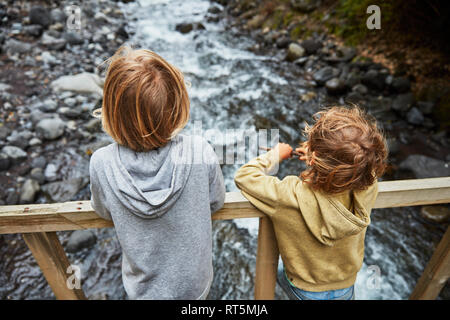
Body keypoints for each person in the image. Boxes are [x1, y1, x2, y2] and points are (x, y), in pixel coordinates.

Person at [89, 46, 225, 299]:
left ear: (111, 110)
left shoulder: (102, 162)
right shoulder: (199, 150)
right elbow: (216, 201)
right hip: (195, 287)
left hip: (144, 291)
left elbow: (102, 210)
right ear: (177, 107)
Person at [234, 105, 388, 300]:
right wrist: (319, 160)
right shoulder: (366, 188)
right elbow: (363, 166)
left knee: (279, 270)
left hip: (306, 290)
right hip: (345, 285)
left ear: (313, 158)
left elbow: (245, 176)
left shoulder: (289, 195)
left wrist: (275, 154)